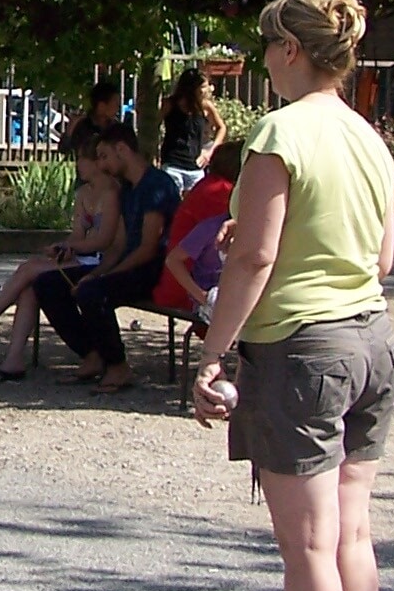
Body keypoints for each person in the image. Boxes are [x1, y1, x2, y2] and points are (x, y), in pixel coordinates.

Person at [191, 0, 394, 591]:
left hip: (304, 350)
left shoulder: (280, 131)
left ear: (290, 51)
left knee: (307, 545)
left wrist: (213, 352)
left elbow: (254, 256)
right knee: (351, 530)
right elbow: (381, 259)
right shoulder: (366, 137)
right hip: (372, 340)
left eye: (266, 45)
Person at [0, 130, 122, 381]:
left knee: (29, 269)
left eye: (81, 159)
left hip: (102, 262)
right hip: (83, 257)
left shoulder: (112, 193)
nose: (77, 165)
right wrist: (63, 246)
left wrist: (74, 248)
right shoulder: (84, 194)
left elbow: (105, 240)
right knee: (29, 287)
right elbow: (78, 234)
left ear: (97, 163)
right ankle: (13, 359)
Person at [33, 125, 178, 394]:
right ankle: (93, 353)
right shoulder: (128, 189)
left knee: (91, 293)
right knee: (47, 284)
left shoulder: (157, 185)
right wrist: (98, 271)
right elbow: (119, 245)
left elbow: (148, 248)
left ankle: (118, 366)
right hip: (129, 263)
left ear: (121, 149)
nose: (101, 164)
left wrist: (106, 277)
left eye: (103, 156)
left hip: (154, 269)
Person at [154, 141, 244, 320]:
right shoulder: (219, 194)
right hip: (191, 287)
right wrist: (203, 296)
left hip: (191, 280)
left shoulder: (209, 185)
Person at [158, 67, 228, 195]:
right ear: (192, 88)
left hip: (195, 167)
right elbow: (155, 124)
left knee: (194, 208)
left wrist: (210, 152)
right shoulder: (170, 104)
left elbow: (221, 128)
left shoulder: (205, 107)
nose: (208, 90)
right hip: (173, 164)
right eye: (204, 86)